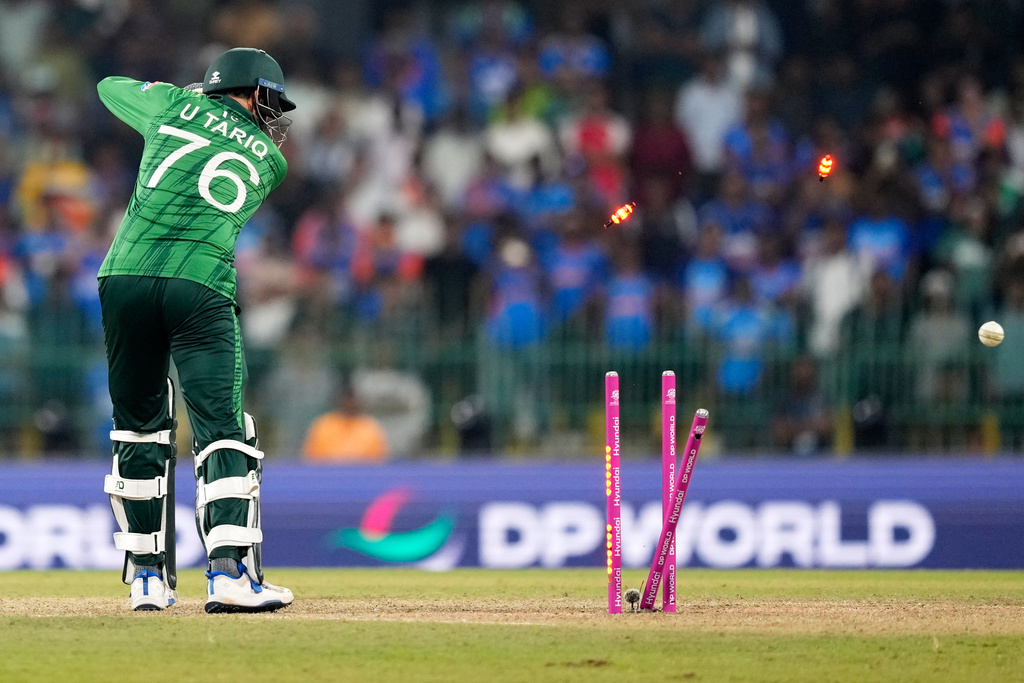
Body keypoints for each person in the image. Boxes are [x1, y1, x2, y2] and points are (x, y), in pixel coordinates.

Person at [96, 48, 296, 612]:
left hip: (125, 276)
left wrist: (178, 95)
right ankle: (229, 573)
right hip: (199, 283)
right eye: (270, 101)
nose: (273, 115)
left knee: (138, 426)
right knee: (222, 427)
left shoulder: (169, 106)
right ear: (253, 93)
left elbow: (110, 82)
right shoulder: (271, 162)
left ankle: (146, 582)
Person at [303, 384, 389, 462]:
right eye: (347, 399)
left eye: (352, 400)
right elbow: (312, 459)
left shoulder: (370, 427)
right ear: (339, 401)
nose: (350, 404)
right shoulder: (323, 425)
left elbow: (379, 461)